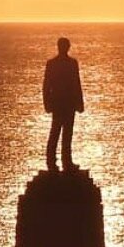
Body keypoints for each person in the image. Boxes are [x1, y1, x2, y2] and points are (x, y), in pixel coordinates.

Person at [43, 36, 85, 171]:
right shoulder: (54, 64)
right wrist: (46, 102)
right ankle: (53, 162)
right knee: (56, 132)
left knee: (67, 134)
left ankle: (66, 162)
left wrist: (80, 102)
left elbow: (76, 83)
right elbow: (46, 85)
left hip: (67, 103)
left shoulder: (71, 63)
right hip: (60, 103)